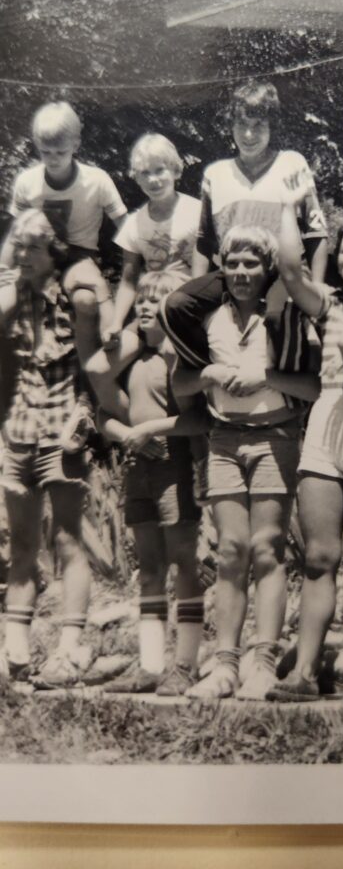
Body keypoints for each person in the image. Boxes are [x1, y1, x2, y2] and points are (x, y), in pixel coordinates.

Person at [173, 225, 320, 700]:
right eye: (232, 262)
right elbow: (181, 384)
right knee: (231, 550)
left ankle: (264, 663)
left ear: (268, 269)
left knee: (266, 548)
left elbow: (313, 386)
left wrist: (266, 376)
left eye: (251, 263)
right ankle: (224, 666)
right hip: (223, 439)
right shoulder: (207, 318)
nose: (240, 272)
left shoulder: (285, 317)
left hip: (275, 436)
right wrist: (209, 372)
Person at [265, 199, 343, 700]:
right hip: (327, 422)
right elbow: (291, 272)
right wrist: (287, 206)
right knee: (318, 556)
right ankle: (306, 673)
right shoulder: (331, 303)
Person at [86, 270, 207, 695]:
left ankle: (185, 664)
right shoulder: (132, 360)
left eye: (157, 299)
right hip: (138, 465)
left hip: (174, 464)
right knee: (149, 568)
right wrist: (126, 434)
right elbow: (103, 413)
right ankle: (150, 666)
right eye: (141, 299)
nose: (144, 306)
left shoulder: (178, 359)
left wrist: (150, 429)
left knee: (183, 562)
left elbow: (198, 420)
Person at [159, 80, 328, 370]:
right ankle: (211, 370)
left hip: (283, 273)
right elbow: (205, 241)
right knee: (174, 306)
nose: (249, 135)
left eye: (258, 125)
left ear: (272, 125)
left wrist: (318, 290)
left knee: (280, 314)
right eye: (241, 125)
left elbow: (316, 233)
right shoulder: (215, 174)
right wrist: (197, 293)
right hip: (234, 272)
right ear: (231, 126)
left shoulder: (291, 164)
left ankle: (281, 387)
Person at [0, 211, 94, 688]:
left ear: (53, 252)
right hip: (19, 428)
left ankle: (70, 646)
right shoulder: (12, 296)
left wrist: (87, 415)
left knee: (67, 538)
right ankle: (14, 649)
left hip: (62, 427)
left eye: (33, 247)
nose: (23, 255)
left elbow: (93, 363)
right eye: (18, 245)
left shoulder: (74, 295)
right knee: (21, 544)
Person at [0, 102, 127, 450]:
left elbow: (125, 226)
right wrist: (3, 272)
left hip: (78, 256)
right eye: (45, 152)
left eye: (60, 151)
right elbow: (14, 233)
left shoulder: (96, 180)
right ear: (36, 146)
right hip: (36, 256)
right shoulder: (28, 182)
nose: (53, 159)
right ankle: (7, 404)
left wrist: (139, 262)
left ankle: (86, 400)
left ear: (76, 145)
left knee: (85, 300)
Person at [104, 134, 202, 344]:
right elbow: (128, 281)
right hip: (149, 311)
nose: (153, 180)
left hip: (185, 309)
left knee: (168, 353)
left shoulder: (197, 212)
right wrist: (116, 323)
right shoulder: (134, 223)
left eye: (159, 170)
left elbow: (204, 277)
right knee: (104, 361)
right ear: (137, 178)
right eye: (145, 173)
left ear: (176, 170)